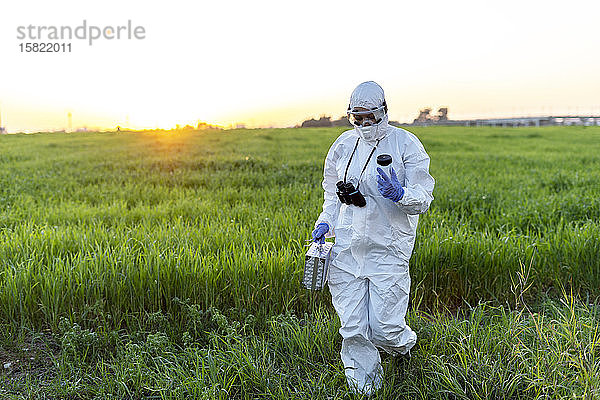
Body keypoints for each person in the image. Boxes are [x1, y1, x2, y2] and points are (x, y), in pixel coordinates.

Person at [311, 81, 435, 395]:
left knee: (385, 328)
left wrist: (400, 193)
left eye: (370, 117)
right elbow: (331, 194)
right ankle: (366, 390)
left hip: (388, 249)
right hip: (346, 249)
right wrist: (326, 222)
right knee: (353, 329)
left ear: (383, 112)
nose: (364, 124)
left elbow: (423, 198)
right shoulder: (342, 145)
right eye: (357, 118)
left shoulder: (406, 144)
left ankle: (402, 348)